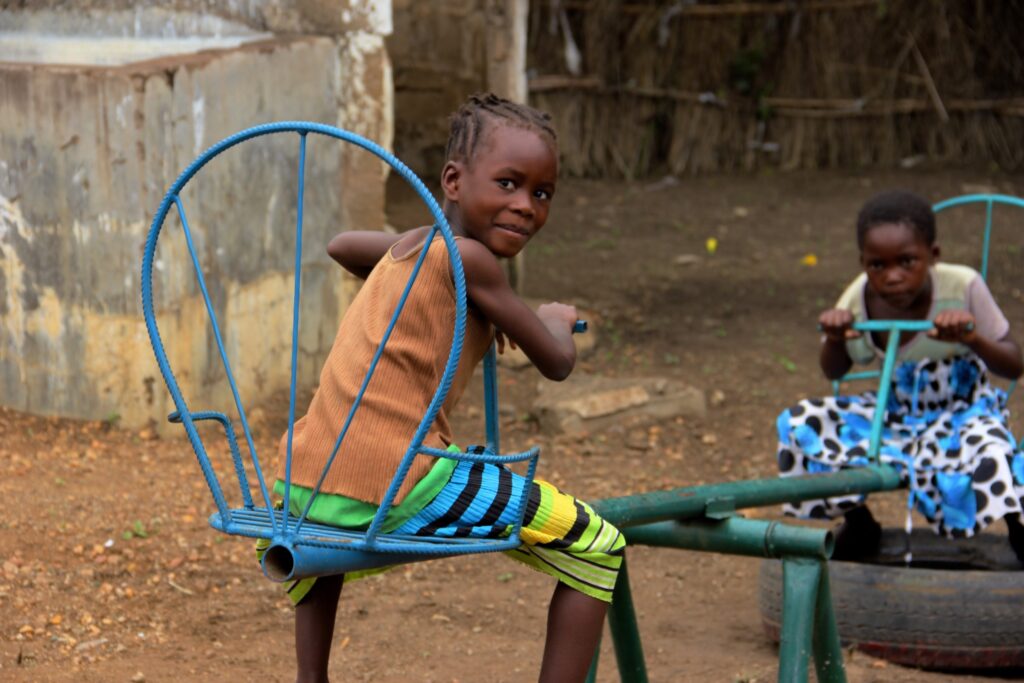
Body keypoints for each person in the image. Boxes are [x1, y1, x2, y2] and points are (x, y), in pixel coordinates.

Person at [264, 93, 625, 683]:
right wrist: (554, 318)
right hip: (400, 483)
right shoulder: (472, 263)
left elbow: (341, 245)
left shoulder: (416, 250)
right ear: (452, 181)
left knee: (327, 537)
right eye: (508, 183)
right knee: (597, 543)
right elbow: (557, 362)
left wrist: (464, 298)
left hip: (306, 480)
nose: (525, 206)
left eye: (542, 193)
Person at [775, 189, 1024, 562]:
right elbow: (834, 370)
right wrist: (835, 337)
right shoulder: (857, 297)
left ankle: (1018, 529)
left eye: (907, 262)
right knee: (800, 423)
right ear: (863, 263)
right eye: (878, 266)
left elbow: (1014, 363)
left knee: (993, 451)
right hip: (892, 414)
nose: (892, 277)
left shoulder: (963, 286)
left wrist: (972, 337)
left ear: (933, 256)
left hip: (963, 412)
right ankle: (860, 525)